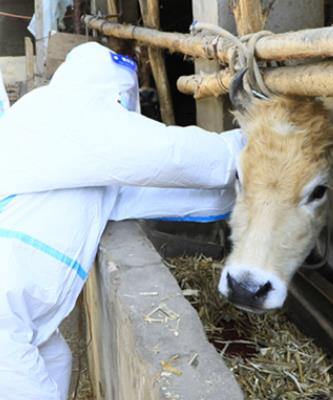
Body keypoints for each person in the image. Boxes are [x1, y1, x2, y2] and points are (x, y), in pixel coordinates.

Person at [0, 42, 245, 400]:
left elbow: (143, 191)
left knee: (56, 362)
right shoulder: (65, 112)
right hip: (7, 307)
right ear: (108, 88)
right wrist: (247, 146)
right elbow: (166, 155)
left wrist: (239, 191)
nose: (125, 112)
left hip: (27, 311)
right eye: (123, 99)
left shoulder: (82, 159)